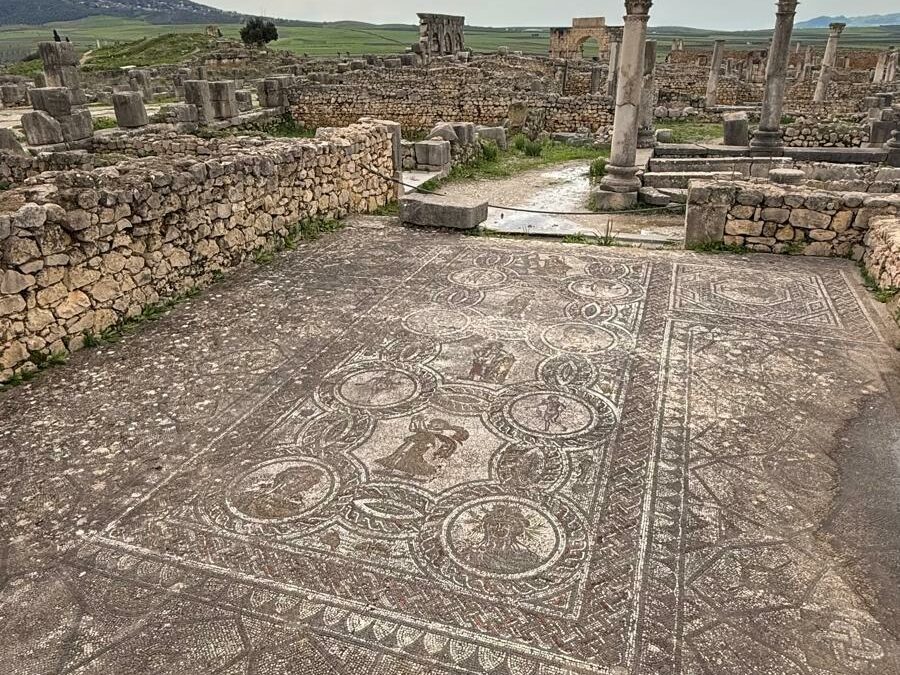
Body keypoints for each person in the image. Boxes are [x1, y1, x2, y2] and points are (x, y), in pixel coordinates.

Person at [375, 415, 468, 480]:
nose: (430, 423)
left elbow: (423, 429)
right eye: (432, 422)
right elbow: (413, 429)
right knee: (401, 453)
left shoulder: (438, 432)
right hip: (414, 442)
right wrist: (414, 421)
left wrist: (421, 421)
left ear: (440, 425)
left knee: (411, 456)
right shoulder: (430, 431)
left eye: (434, 423)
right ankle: (397, 469)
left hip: (421, 445)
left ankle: (408, 471)